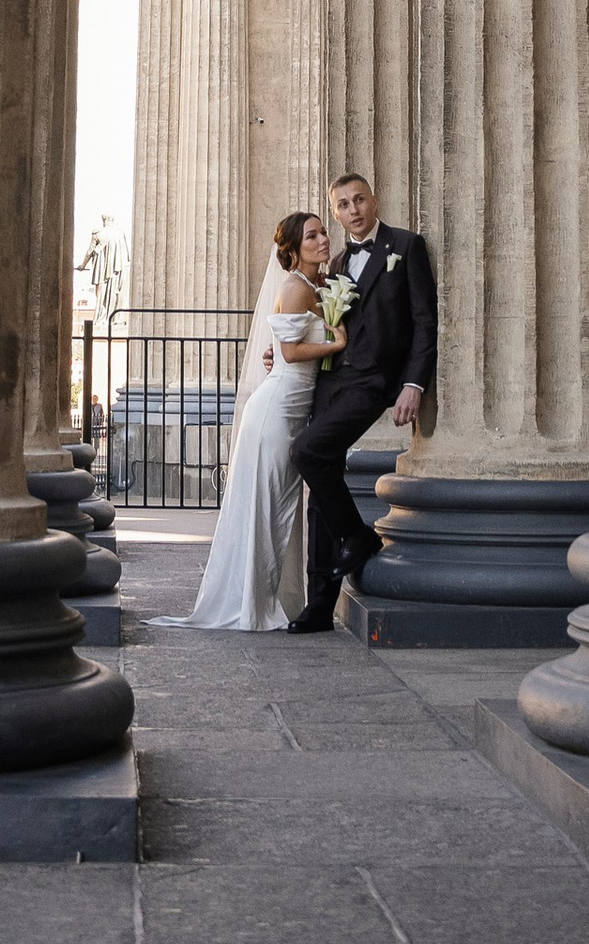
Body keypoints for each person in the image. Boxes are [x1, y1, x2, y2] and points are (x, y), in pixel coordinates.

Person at [286, 170, 436, 633]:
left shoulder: (405, 247)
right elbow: (325, 327)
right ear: (336, 214)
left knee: (306, 452)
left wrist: (414, 384)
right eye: (344, 206)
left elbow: (424, 323)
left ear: (374, 200)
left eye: (360, 200)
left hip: (372, 383)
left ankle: (357, 535)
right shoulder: (334, 267)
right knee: (319, 483)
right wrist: (284, 344)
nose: (354, 210)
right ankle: (319, 606)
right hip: (329, 382)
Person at [179, 210, 341, 633]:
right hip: (275, 410)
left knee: (279, 507)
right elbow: (288, 353)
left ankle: (274, 598)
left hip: (294, 408)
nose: (323, 239)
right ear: (292, 248)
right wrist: (336, 344)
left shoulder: (320, 284)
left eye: (323, 232)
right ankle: (250, 601)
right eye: (312, 236)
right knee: (267, 506)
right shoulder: (294, 287)